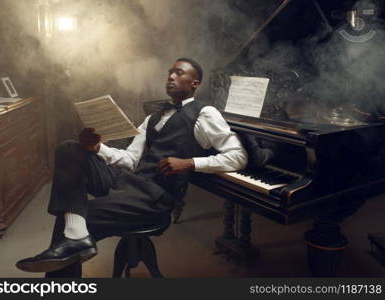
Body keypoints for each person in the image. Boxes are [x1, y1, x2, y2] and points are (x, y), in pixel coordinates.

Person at [16, 57, 248, 277]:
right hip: (127, 183)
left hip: (155, 198)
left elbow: (238, 156)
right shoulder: (153, 118)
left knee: (72, 217)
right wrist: (98, 148)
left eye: (179, 73)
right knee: (69, 148)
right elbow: (130, 159)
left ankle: (69, 262)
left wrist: (190, 163)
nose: (171, 76)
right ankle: (77, 243)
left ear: (195, 83)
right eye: (169, 72)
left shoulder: (205, 113)